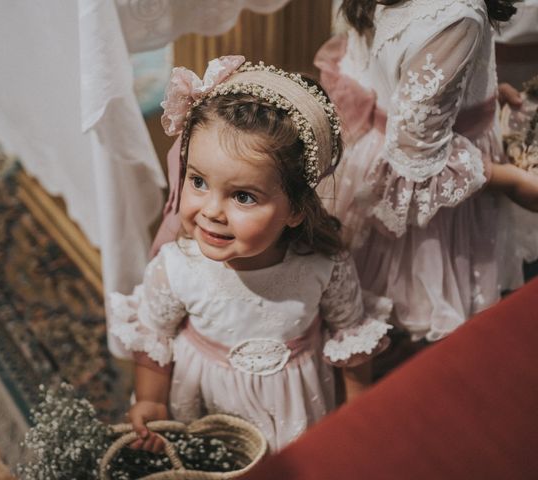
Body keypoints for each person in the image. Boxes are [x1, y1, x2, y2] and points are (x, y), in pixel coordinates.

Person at [106, 56, 393, 452]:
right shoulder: (176, 268)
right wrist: (152, 399)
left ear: (295, 209)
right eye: (198, 181)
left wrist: (357, 411)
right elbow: (155, 339)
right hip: (202, 404)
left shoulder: (325, 267)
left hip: (294, 411)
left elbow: (351, 343)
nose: (211, 211)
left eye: (243, 196)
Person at [313, 0, 538, 347]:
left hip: (374, 150)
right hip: (433, 184)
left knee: (373, 295)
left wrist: (476, 92)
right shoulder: (455, 14)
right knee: (417, 310)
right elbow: (418, 159)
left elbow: (399, 71)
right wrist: (513, 181)